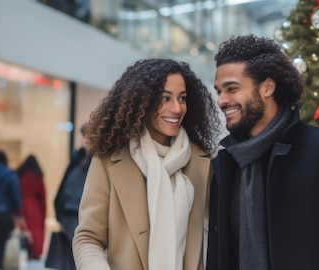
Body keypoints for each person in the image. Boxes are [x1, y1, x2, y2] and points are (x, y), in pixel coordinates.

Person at [206, 34, 319, 269]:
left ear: (267, 87)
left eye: (231, 89)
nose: (221, 100)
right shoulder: (223, 166)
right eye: (219, 91)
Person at [73, 58, 220, 270]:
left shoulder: (203, 163)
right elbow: (88, 237)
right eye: (165, 98)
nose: (177, 108)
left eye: (182, 98)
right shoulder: (109, 160)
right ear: (141, 102)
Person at [49, 124, 91, 269]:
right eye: (84, 137)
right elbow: (62, 187)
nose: (85, 140)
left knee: (80, 253)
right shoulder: (76, 160)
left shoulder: (98, 161)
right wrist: (58, 212)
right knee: (72, 254)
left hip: (85, 214)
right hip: (70, 213)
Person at [16, 154, 46, 259]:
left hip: (22, 204)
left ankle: (24, 250)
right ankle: (35, 252)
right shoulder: (38, 176)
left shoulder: (20, 175)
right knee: (36, 230)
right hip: (35, 207)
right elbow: (42, 196)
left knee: (24, 229)